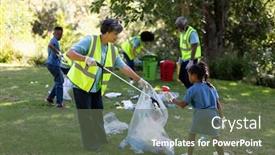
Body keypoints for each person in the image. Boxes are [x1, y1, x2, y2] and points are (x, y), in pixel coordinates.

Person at [66, 18, 150, 151]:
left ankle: (100, 138)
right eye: (115, 34)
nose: (117, 37)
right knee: (86, 116)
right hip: (81, 85)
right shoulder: (90, 41)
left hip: (96, 87)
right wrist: (85, 58)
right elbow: (70, 53)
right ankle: (90, 144)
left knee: (97, 113)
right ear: (106, 32)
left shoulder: (112, 50)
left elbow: (123, 67)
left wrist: (139, 79)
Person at [166, 62, 224, 155]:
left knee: (192, 134)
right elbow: (218, 104)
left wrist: (172, 99)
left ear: (194, 75)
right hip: (213, 115)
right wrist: (222, 117)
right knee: (216, 137)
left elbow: (183, 105)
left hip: (200, 115)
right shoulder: (211, 87)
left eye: (189, 74)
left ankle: (189, 154)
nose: (188, 77)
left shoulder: (192, 89)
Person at [175, 16, 202, 88]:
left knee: (191, 78)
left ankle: (193, 92)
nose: (178, 29)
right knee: (181, 77)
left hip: (192, 59)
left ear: (184, 26)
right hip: (185, 59)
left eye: (179, 27)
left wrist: (191, 61)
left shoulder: (192, 33)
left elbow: (195, 45)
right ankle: (191, 91)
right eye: (178, 27)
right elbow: (183, 47)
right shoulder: (182, 33)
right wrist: (180, 57)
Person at [45, 26, 64, 108]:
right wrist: (59, 53)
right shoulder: (54, 41)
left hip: (50, 63)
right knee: (60, 81)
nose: (60, 36)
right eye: (59, 34)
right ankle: (59, 103)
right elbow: (50, 45)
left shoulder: (55, 40)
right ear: (55, 33)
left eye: (61, 34)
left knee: (59, 80)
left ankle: (50, 98)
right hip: (53, 64)